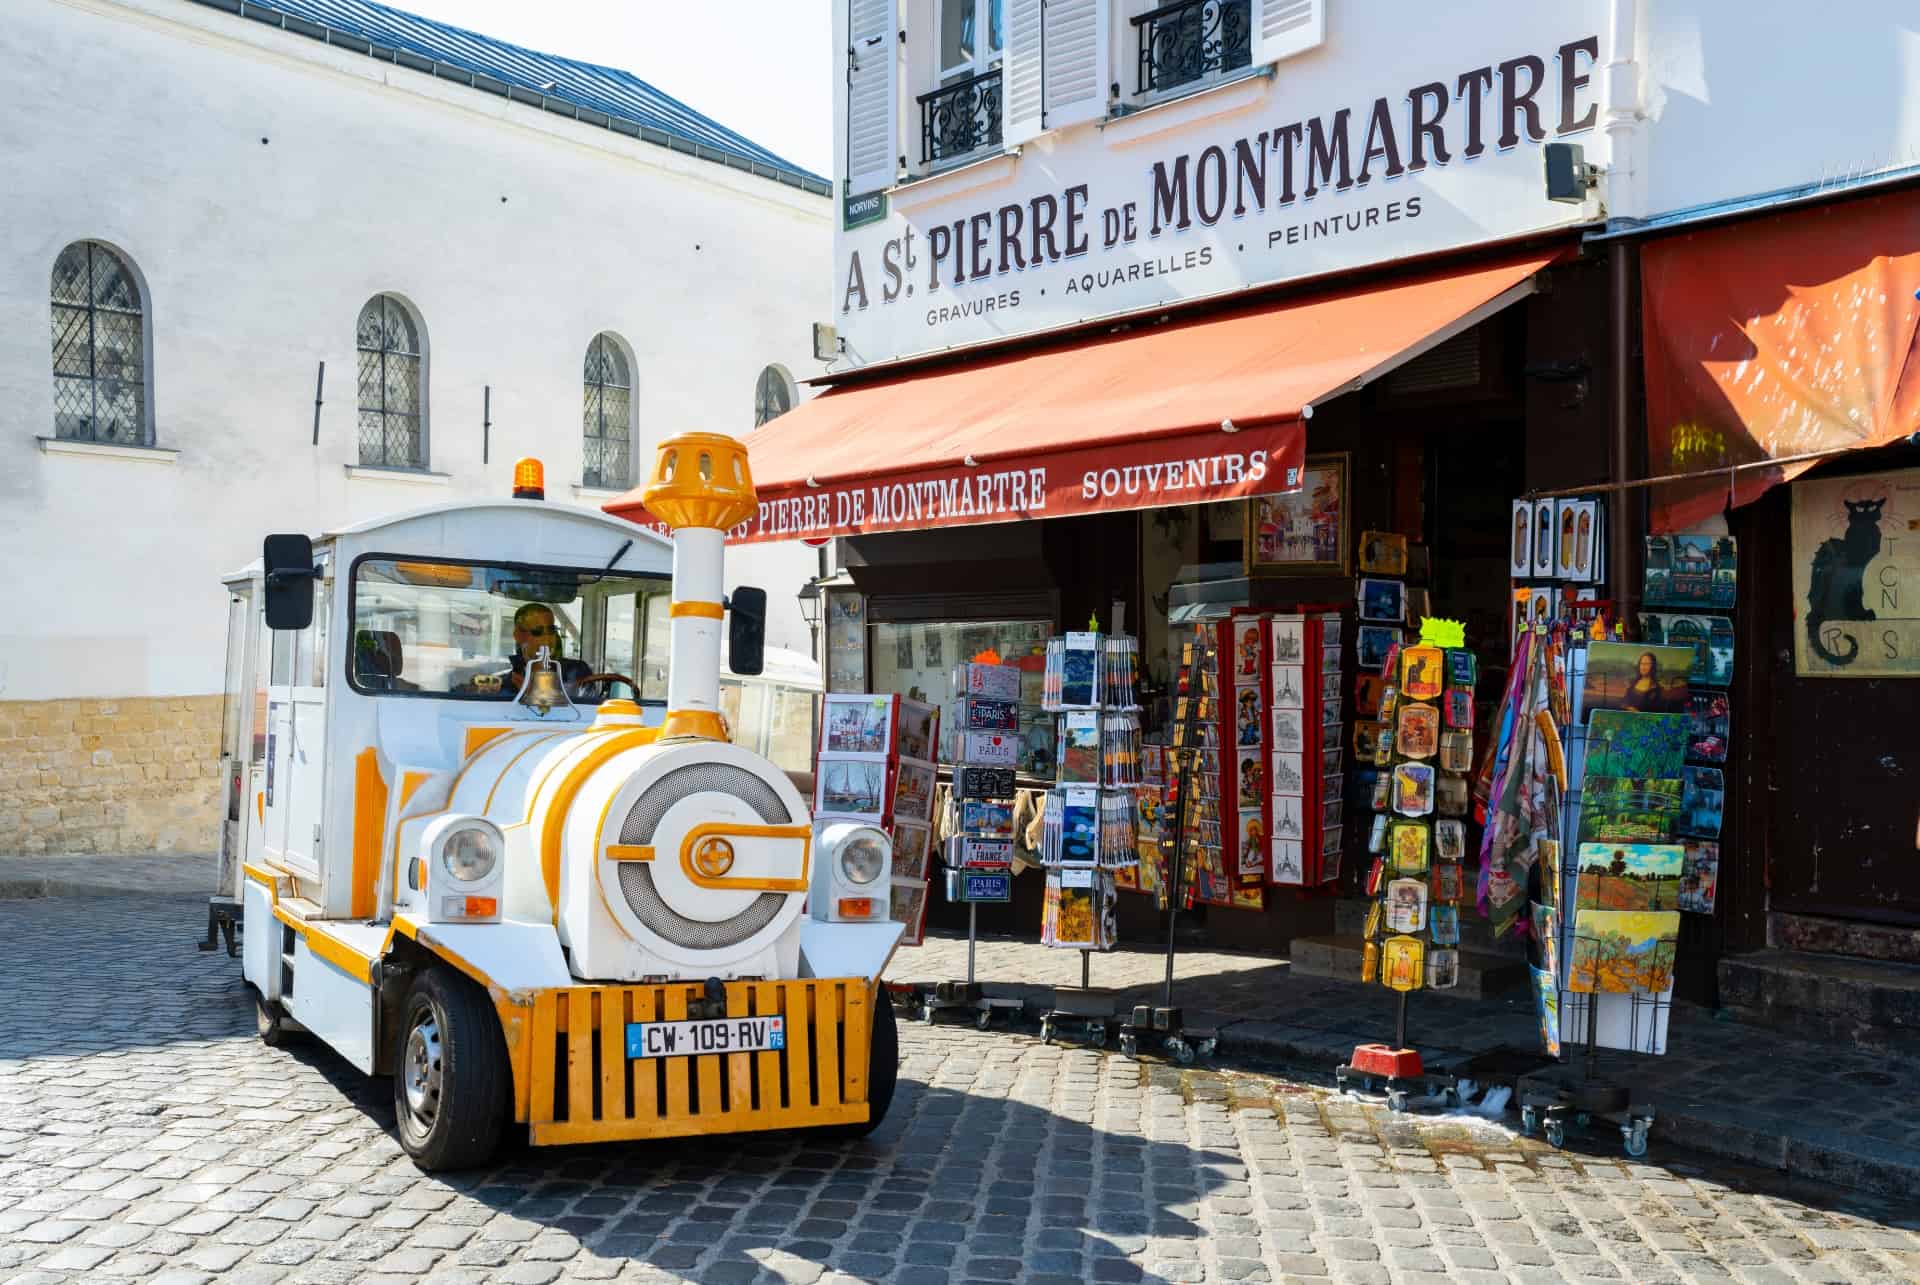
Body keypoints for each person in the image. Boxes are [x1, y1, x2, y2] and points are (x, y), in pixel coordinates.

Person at [496, 603, 593, 698]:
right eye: (537, 631)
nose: (547, 638)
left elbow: (586, 707)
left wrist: (534, 692)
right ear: (518, 635)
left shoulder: (577, 670)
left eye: (551, 630)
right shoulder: (503, 682)